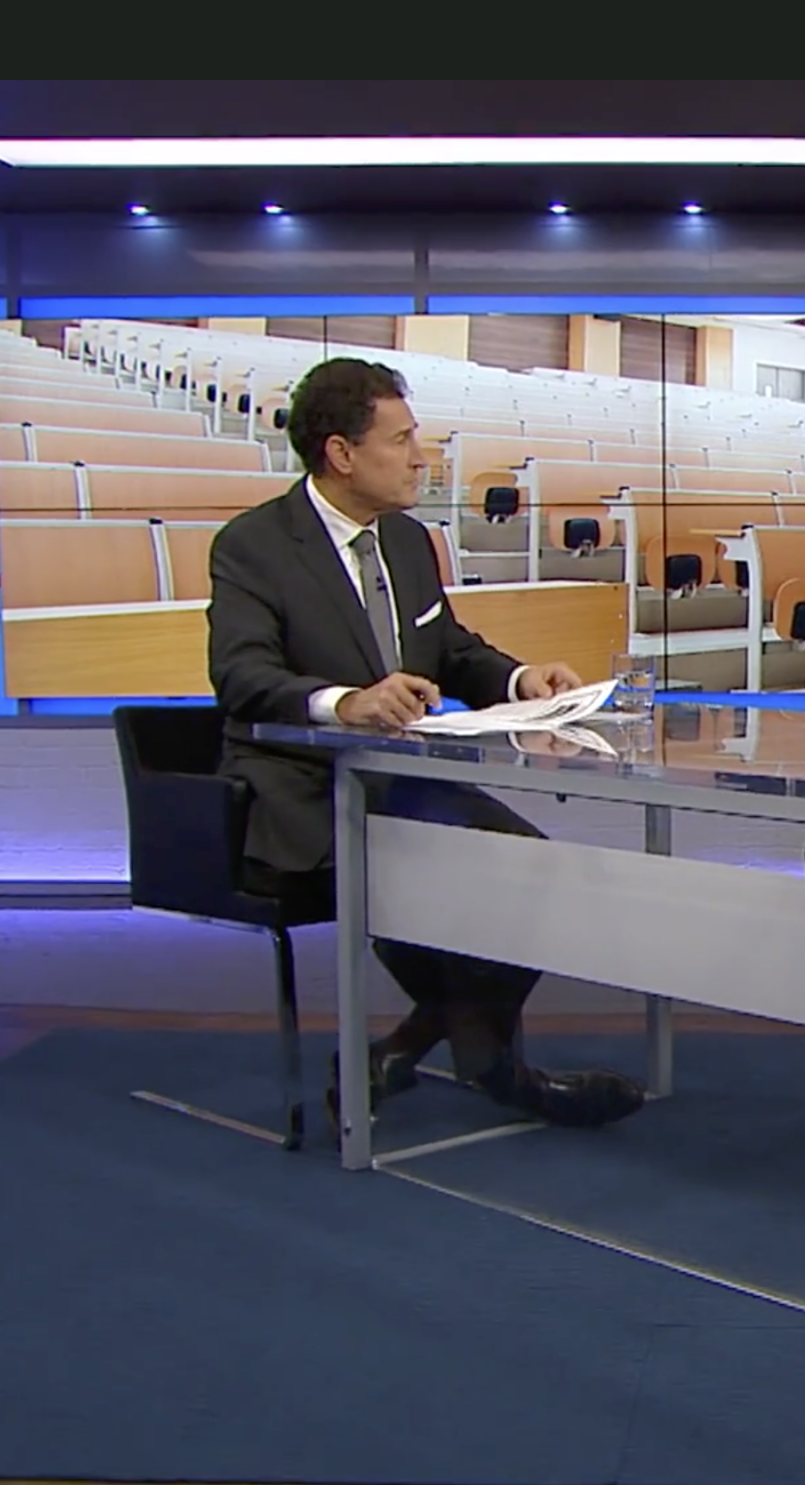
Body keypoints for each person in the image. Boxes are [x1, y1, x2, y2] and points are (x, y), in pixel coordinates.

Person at [207, 357, 645, 1130]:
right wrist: (346, 703)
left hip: (404, 784)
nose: (422, 458)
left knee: (535, 871)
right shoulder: (254, 545)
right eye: (402, 440)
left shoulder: (408, 542)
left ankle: (405, 1050)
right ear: (342, 453)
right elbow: (241, 674)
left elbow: (450, 649)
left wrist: (521, 680)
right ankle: (497, 1069)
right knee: (459, 879)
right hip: (308, 790)